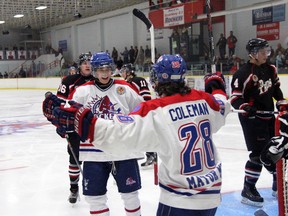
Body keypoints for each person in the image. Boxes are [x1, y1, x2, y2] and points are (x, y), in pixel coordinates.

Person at [43, 54, 231, 216]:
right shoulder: (205, 100)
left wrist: (84, 123)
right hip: (212, 194)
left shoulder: (156, 111)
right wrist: (216, 86)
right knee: (98, 197)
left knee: (129, 195)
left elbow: (119, 134)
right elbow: (223, 105)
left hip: (180, 198)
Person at [64, 52, 144, 215]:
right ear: (94, 71)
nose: (105, 73)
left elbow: (142, 111)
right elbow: (70, 114)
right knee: (95, 199)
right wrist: (65, 123)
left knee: (131, 196)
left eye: (107, 69)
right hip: (94, 153)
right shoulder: (82, 91)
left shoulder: (125, 89)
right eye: (100, 70)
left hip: (124, 151)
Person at [230, 38, 286, 207]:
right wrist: (246, 107)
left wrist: (282, 103)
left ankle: (278, 186)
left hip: (269, 117)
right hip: (252, 120)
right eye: (263, 52)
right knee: (257, 155)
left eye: (267, 51)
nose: (266, 54)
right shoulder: (243, 74)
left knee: (277, 150)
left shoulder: (271, 69)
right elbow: (235, 99)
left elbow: (276, 90)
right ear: (253, 54)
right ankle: (248, 189)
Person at [56, 53, 95, 204]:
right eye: (84, 62)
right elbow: (59, 105)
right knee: (74, 158)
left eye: (89, 62)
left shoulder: (96, 80)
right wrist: (60, 123)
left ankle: (94, 185)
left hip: (93, 125)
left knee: (94, 157)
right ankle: (74, 189)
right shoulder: (69, 81)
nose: (87, 65)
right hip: (74, 126)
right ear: (79, 65)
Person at [120, 63, 156, 167]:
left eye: (123, 71)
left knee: (145, 133)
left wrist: (143, 110)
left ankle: (151, 155)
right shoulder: (127, 82)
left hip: (142, 111)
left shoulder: (137, 80)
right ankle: (149, 155)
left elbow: (146, 96)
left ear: (128, 71)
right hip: (137, 111)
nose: (122, 73)